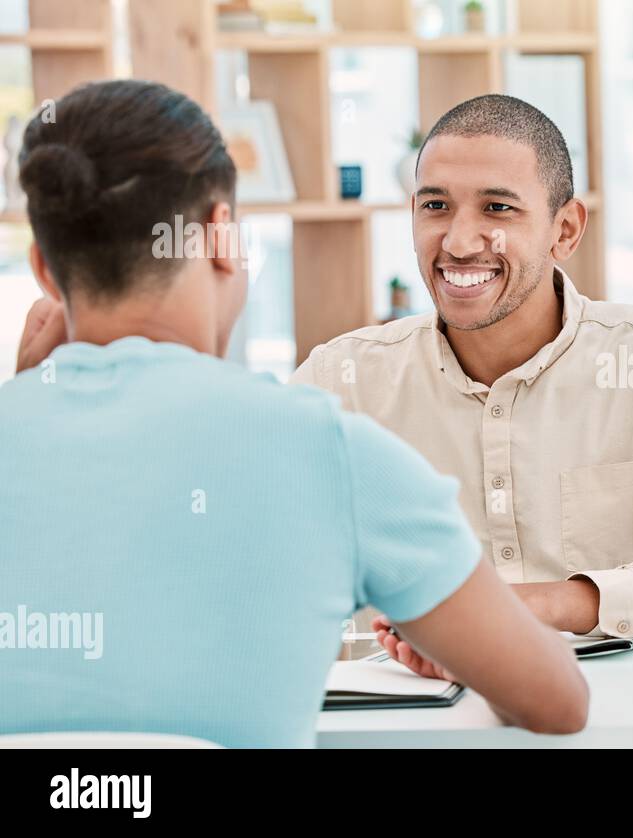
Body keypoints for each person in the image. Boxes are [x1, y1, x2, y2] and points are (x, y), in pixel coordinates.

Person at [0, 80, 587, 746]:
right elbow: (557, 703)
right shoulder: (327, 448)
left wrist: (34, 396)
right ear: (224, 237)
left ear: (44, 270)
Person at [292, 94, 633, 678]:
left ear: (564, 230)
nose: (460, 242)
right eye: (435, 206)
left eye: (497, 209)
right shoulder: (342, 381)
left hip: (632, 718)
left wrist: (545, 606)